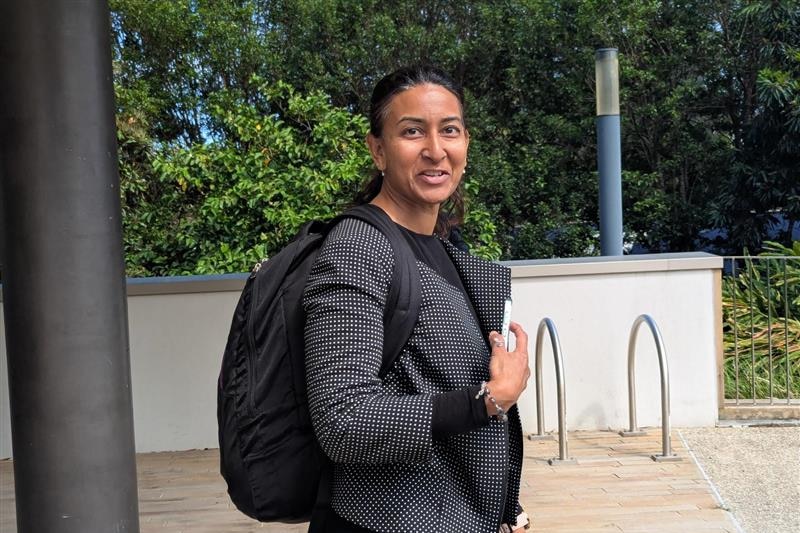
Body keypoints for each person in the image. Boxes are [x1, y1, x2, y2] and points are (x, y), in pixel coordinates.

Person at [303, 65, 531, 533]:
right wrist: (487, 401)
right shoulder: (358, 247)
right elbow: (343, 419)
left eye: (449, 130)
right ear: (378, 150)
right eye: (412, 132)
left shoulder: (447, 250)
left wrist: (507, 507)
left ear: (465, 142)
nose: (435, 150)